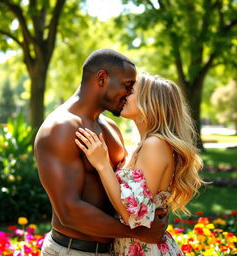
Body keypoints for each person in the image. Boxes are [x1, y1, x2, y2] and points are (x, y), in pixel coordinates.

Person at [34, 49, 168, 256]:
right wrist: (140, 233)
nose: (130, 94)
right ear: (102, 78)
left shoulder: (111, 128)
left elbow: (127, 186)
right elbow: (68, 212)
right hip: (73, 251)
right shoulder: (61, 128)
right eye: (127, 86)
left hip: (112, 250)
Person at [75, 73, 204, 255]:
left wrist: (102, 164)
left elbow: (132, 217)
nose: (123, 94)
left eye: (130, 91)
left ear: (149, 102)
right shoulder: (142, 145)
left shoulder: (155, 145)